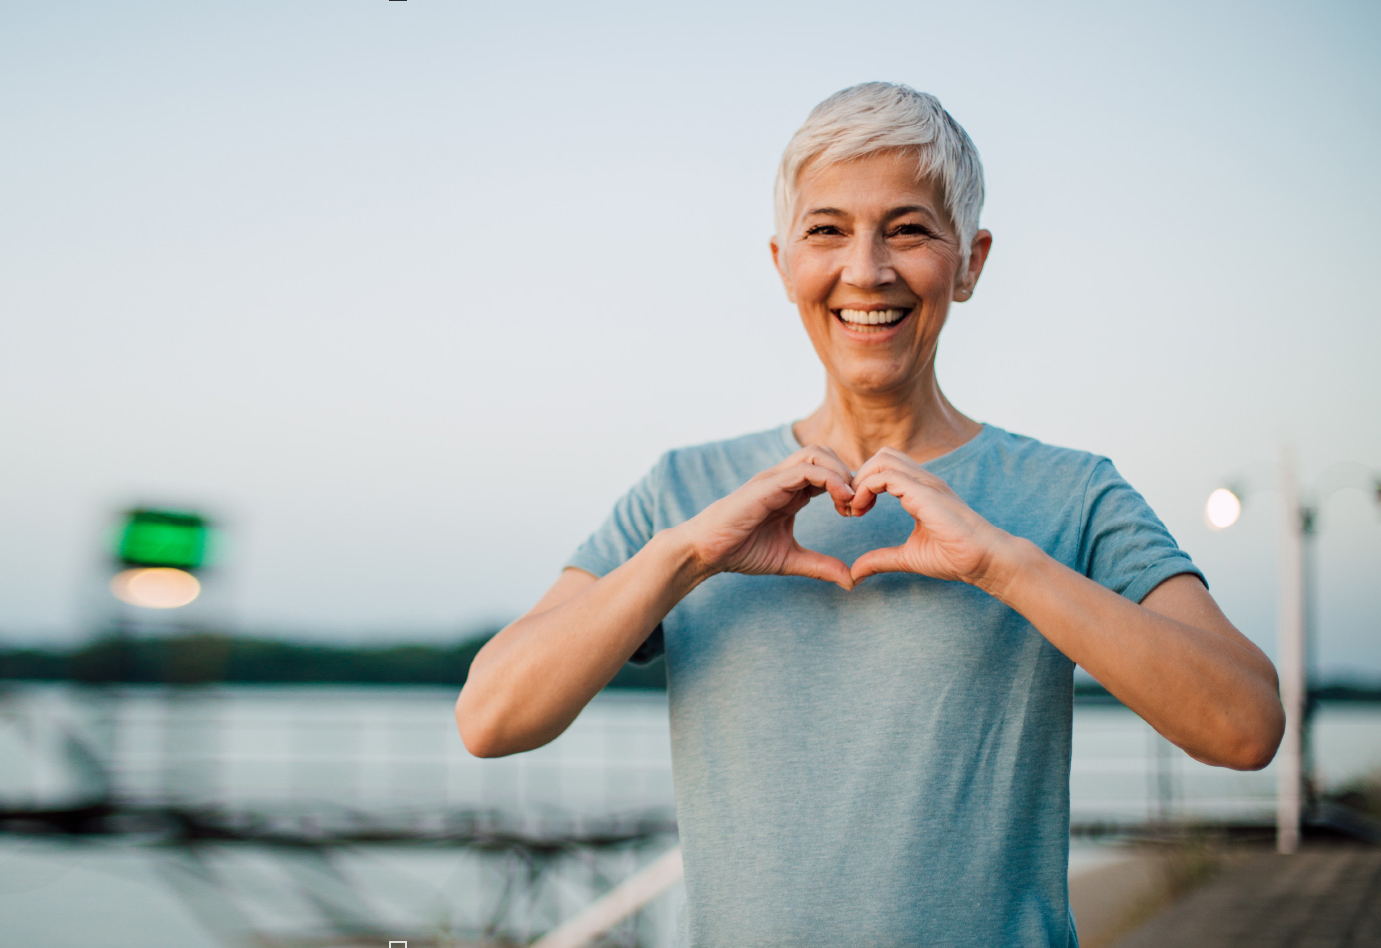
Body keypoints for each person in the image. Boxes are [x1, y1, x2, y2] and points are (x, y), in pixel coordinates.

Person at [453, 82, 1283, 947]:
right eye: (827, 230)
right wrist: (688, 557)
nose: (867, 269)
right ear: (781, 263)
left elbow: (1245, 726)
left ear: (970, 263)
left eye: (910, 228)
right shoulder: (685, 493)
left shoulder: (1072, 493)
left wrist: (1004, 565)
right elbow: (493, 717)